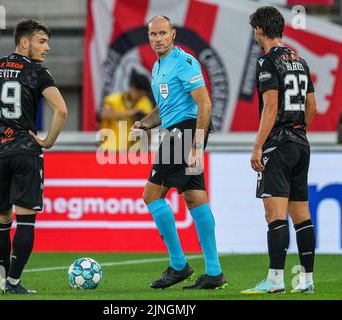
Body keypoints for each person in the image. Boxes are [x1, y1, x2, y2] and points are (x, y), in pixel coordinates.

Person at [0, 19, 68, 294]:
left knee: (1, 219)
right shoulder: (36, 72)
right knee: (25, 220)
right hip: (25, 152)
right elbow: (62, 110)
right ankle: (14, 283)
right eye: (42, 41)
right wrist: (48, 141)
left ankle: (3, 280)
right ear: (24, 42)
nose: (47, 47)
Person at [132, 15, 226, 290]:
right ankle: (214, 272)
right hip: (177, 130)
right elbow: (165, 108)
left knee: (151, 195)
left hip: (184, 133)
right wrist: (145, 123)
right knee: (195, 198)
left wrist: (196, 144)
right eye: (153, 35)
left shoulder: (185, 63)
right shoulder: (160, 67)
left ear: (173, 34)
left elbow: (204, 103)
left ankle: (178, 265)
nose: (158, 39)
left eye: (162, 33)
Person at [241, 6, 317, 294]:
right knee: (301, 215)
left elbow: (270, 107)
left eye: (254, 30)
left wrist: (259, 145)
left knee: (275, 214)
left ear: (260, 30)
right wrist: (297, 130)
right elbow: (312, 108)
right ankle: (306, 280)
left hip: (278, 145)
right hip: (300, 143)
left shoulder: (266, 62)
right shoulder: (300, 60)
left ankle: (275, 280)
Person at [100, 70, 153, 151]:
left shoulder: (145, 103)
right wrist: (129, 113)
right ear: (131, 88)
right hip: (111, 151)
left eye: (143, 94)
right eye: (138, 93)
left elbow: (149, 129)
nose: (140, 97)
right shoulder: (113, 100)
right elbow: (104, 115)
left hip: (134, 152)